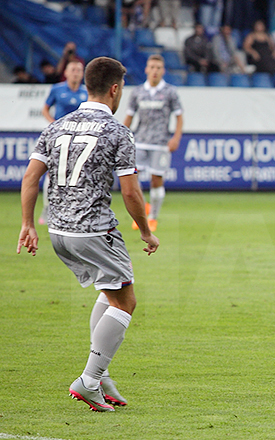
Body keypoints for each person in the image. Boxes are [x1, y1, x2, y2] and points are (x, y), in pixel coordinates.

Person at [17, 56, 159, 412]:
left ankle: (103, 374)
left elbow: (31, 178)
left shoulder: (57, 126)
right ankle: (89, 380)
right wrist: (145, 232)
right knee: (126, 302)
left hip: (58, 231)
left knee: (108, 291)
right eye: (122, 89)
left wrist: (28, 224)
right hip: (94, 229)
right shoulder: (117, 132)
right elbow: (130, 192)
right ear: (115, 89)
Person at [123, 54, 184, 231]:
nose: (155, 71)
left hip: (160, 142)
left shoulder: (170, 92)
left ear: (163, 71)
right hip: (140, 140)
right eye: (152, 67)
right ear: (146, 69)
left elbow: (179, 117)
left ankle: (153, 217)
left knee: (156, 179)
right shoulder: (138, 92)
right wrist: (121, 137)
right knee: (133, 178)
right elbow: (129, 117)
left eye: (158, 68)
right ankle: (142, 211)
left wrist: (176, 137)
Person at [40, 60, 89, 226]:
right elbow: (45, 109)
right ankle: (47, 209)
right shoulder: (57, 89)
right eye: (73, 69)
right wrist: (53, 124)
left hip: (80, 140)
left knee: (77, 175)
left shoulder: (86, 92)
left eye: (79, 70)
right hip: (59, 139)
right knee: (52, 172)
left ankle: (74, 210)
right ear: (66, 73)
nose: (76, 72)